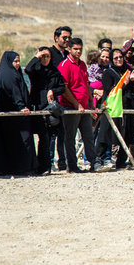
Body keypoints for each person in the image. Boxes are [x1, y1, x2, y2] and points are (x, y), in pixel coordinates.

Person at [58, 38, 109, 173]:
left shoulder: (82, 65)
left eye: (80, 49)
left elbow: (86, 84)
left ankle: (94, 163)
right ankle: (72, 166)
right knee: (70, 138)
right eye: (75, 49)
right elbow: (64, 88)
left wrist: (91, 103)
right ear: (69, 49)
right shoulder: (64, 65)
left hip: (85, 106)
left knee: (88, 136)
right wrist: (76, 104)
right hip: (71, 107)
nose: (78, 51)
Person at [0, 51, 37, 176]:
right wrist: (21, 106)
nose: (17, 64)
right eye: (15, 61)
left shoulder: (12, 73)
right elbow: (14, 92)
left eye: (18, 61)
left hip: (14, 116)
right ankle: (21, 167)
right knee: (22, 140)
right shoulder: (9, 75)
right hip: (14, 115)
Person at [96, 48, 134, 169]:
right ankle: (97, 160)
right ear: (111, 60)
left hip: (126, 107)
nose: (119, 59)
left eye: (121, 57)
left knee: (126, 135)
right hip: (112, 107)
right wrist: (125, 83)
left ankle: (121, 162)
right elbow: (111, 91)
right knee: (106, 134)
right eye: (116, 58)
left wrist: (133, 81)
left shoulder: (126, 71)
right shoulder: (108, 73)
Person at [25, 47, 66, 175]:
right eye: (43, 56)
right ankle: (32, 165)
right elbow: (27, 69)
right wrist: (37, 56)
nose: (45, 59)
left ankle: (45, 166)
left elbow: (62, 87)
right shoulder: (36, 70)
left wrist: (52, 91)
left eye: (47, 56)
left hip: (49, 109)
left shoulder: (54, 71)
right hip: (36, 106)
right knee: (33, 138)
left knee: (46, 138)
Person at [49, 26, 71, 171]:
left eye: (69, 38)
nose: (67, 40)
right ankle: (49, 161)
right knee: (51, 134)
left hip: (65, 98)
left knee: (64, 133)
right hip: (52, 99)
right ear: (56, 38)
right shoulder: (49, 54)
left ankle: (62, 163)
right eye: (64, 37)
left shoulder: (68, 55)